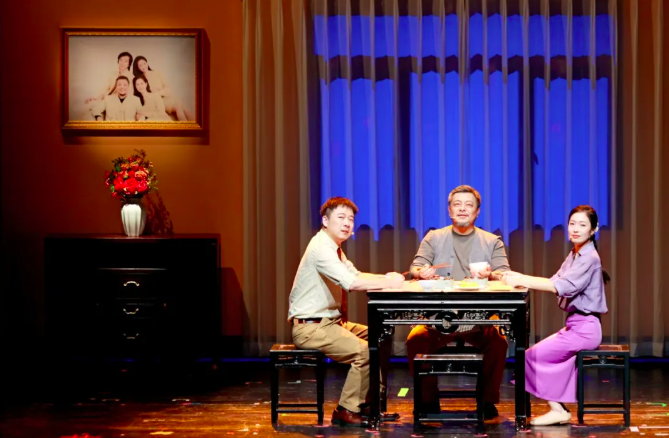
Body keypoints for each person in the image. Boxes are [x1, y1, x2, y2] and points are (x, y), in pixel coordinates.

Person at [288, 197, 404, 427]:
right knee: (364, 353)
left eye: (350, 219)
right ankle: (346, 409)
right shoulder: (321, 248)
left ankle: (371, 403)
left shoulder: (335, 249)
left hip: (331, 323)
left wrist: (386, 278)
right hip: (311, 327)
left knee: (381, 336)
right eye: (341, 217)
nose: (347, 223)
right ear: (325, 220)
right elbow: (350, 282)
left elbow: (356, 273)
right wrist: (389, 283)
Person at [405, 185, 510, 419]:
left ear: (477, 211)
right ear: (449, 210)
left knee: (498, 342)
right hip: (438, 316)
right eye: (457, 204)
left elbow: (504, 274)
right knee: (415, 341)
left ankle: (486, 401)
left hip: (479, 316)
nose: (462, 209)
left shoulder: (492, 241)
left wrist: (491, 275)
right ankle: (427, 402)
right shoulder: (433, 237)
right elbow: (415, 267)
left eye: (468, 205)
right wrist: (421, 273)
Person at [502, 205, 609, 426]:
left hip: (585, 329)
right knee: (530, 355)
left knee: (530, 357)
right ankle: (559, 407)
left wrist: (520, 279)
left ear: (593, 229)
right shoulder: (576, 254)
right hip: (576, 326)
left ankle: (558, 410)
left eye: (582, 225)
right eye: (572, 224)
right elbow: (554, 279)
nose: (575, 229)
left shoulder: (589, 257)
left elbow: (560, 286)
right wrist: (511, 276)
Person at [132, 56, 190, 121]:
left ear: (147, 63)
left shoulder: (157, 73)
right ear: (138, 68)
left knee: (184, 107)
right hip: (157, 101)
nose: (143, 66)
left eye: (144, 63)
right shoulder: (140, 79)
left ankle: (193, 126)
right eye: (140, 65)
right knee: (178, 107)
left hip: (166, 98)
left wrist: (158, 93)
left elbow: (168, 88)